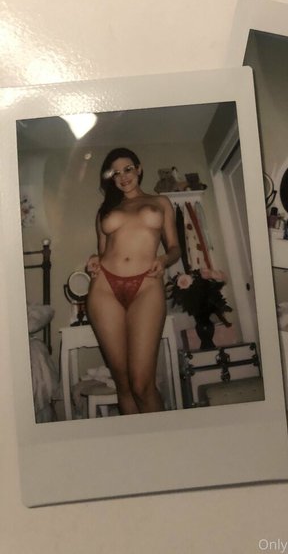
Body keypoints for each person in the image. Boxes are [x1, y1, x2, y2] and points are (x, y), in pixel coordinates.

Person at [86, 148, 180, 414]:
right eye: (116, 173)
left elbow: (175, 248)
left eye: (128, 169)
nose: (123, 176)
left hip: (146, 287)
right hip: (105, 288)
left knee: (142, 384)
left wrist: (164, 260)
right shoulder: (106, 211)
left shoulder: (160, 202)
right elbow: (103, 251)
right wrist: (95, 260)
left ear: (139, 169)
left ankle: (165, 439)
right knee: (124, 385)